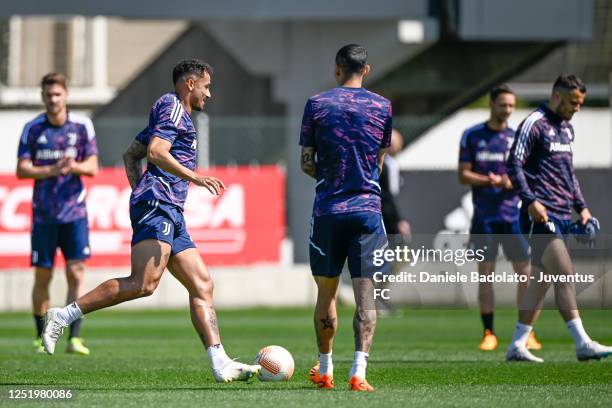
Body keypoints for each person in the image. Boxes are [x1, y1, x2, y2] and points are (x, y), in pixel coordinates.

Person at [40, 59, 260, 382]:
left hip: (169, 209)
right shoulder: (171, 106)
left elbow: (132, 153)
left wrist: (141, 189)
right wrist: (187, 181)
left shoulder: (174, 115)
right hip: (159, 206)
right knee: (143, 284)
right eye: (206, 86)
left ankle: (219, 361)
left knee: (202, 283)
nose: (208, 94)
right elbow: (155, 152)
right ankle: (62, 315)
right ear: (189, 83)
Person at [300, 44, 392, 392]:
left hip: (327, 210)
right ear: (365, 70)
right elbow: (379, 161)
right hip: (367, 211)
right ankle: (359, 372)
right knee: (366, 296)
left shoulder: (317, 104)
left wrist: (330, 181)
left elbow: (307, 162)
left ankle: (325, 369)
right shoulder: (383, 106)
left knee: (327, 294)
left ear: (337, 69)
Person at [505, 74, 612, 362]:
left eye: (580, 103)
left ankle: (517, 345)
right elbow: (513, 163)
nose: (577, 108)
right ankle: (582, 343)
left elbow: (568, 175)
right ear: (557, 96)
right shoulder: (534, 124)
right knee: (565, 273)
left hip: (564, 214)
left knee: (541, 283)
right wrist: (531, 201)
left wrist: (583, 208)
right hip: (541, 215)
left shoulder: (567, 129)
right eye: (573, 102)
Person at [17, 73, 98, 355]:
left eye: (57, 94)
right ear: (43, 97)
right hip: (44, 215)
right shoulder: (33, 129)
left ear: (66, 96)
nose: (53, 99)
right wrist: (51, 169)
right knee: (43, 276)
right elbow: (21, 169)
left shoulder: (82, 125)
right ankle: (41, 337)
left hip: (74, 213)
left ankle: (73, 338)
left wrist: (73, 166)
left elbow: (93, 166)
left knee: (76, 273)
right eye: (48, 95)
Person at [458, 84, 540, 351]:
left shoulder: (517, 137)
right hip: (484, 218)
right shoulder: (472, 135)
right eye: (503, 104)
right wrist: (487, 179)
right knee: (486, 276)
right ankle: (489, 332)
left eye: (511, 106)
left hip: (512, 216)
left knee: (525, 274)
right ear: (492, 104)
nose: (507, 110)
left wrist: (509, 181)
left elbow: (528, 174)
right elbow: (463, 174)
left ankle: (526, 332)